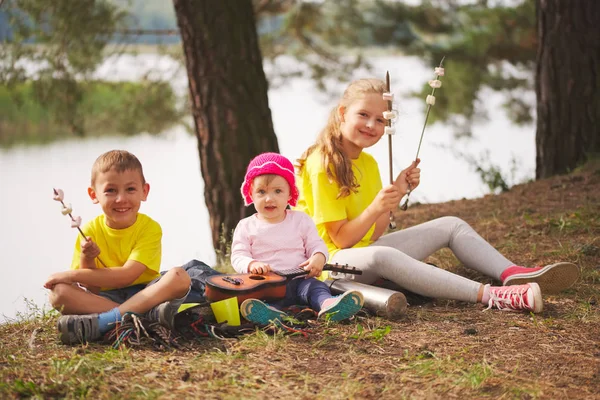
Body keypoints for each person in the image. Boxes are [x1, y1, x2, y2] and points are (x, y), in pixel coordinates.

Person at [295, 78, 579, 313]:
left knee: (450, 224)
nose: (372, 125)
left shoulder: (368, 164)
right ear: (343, 113)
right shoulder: (323, 164)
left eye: (381, 120)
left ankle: (510, 272)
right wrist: (375, 207)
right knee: (385, 254)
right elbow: (341, 240)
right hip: (331, 266)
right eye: (363, 115)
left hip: (364, 253)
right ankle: (495, 296)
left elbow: (373, 234)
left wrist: (395, 194)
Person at [45, 150, 191, 344]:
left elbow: (127, 275)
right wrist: (87, 258)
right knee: (58, 293)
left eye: (130, 189)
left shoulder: (150, 228)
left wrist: (69, 275)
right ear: (93, 194)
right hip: (105, 298)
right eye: (111, 191)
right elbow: (91, 287)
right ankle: (141, 317)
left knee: (179, 276)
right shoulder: (90, 230)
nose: (121, 199)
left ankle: (106, 321)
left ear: (144, 191)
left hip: (146, 291)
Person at [232, 152, 364, 325]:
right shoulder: (246, 225)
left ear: (289, 194)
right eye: (261, 191)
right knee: (265, 299)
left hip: (300, 280)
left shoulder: (300, 220)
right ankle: (270, 314)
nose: (269, 198)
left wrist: (318, 257)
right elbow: (238, 255)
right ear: (251, 193)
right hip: (267, 286)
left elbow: (316, 244)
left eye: (278, 191)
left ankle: (329, 305)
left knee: (317, 288)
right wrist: (251, 264)